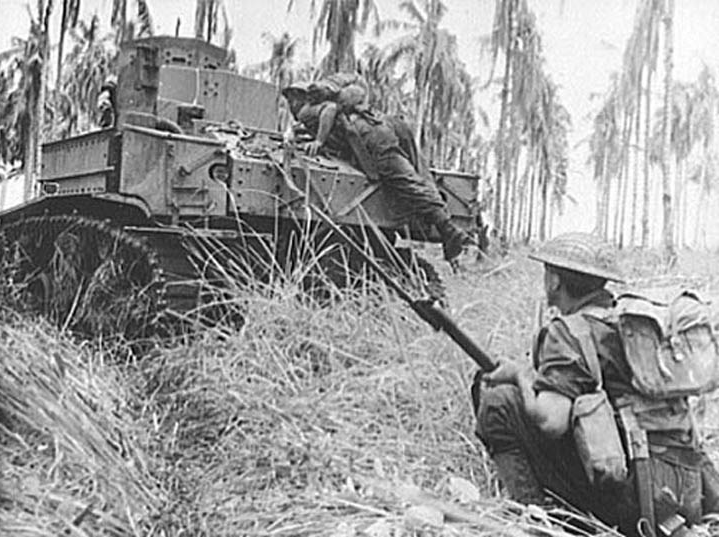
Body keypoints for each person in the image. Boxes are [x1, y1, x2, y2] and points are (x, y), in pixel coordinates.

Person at [473, 232, 719, 536]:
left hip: (632, 503)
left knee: (499, 402)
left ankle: (535, 520)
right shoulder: (633, 326)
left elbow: (551, 421)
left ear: (554, 281)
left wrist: (521, 375)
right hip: (683, 497)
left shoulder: (569, 332)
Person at [281, 80, 470, 264]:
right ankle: (447, 229)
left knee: (407, 182)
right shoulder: (327, 110)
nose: (290, 104)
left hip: (372, 139)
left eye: (291, 98)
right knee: (416, 176)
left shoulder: (308, 111)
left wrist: (319, 142)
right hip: (383, 129)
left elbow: (329, 111)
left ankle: (449, 231)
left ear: (300, 98)